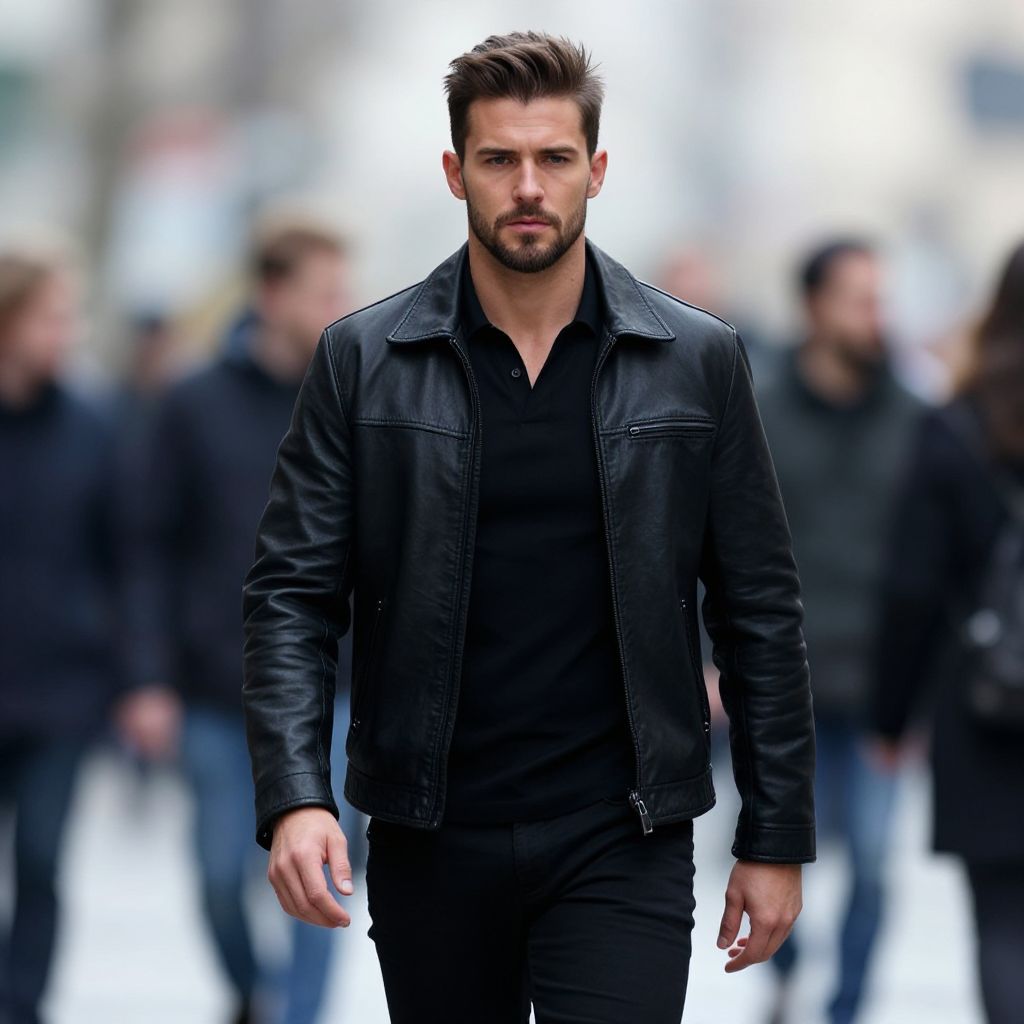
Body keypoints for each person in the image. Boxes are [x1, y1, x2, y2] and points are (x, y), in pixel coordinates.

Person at [242, 33, 816, 1023]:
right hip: (432, 828)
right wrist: (296, 795)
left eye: (553, 158)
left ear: (594, 170)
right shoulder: (363, 360)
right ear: (455, 170)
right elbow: (290, 596)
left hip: (621, 831)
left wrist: (775, 834)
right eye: (499, 159)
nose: (526, 187)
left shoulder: (694, 361)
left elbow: (758, 606)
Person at [117, 213, 359, 1024]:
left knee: (324, 875)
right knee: (223, 874)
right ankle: (251, 992)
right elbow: (148, 543)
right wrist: (149, 676)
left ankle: (299, 1016)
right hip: (219, 684)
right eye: (324, 291)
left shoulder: (360, 396)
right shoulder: (192, 403)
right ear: (272, 294)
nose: (341, 306)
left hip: (338, 681)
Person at [754, 240, 922, 1024]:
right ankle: (785, 967)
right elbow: (712, 546)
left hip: (882, 680)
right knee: (781, 847)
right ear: (815, 307)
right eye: (859, 298)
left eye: (880, 299)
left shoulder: (916, 419)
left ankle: (846, 1008)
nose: (875, 316)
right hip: (783, 678)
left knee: (876, 862)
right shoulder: (761, 410)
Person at [873, 240, 1024, 1024]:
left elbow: (911, 588)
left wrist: (891, 717)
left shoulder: (957, 428)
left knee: (1001, 922)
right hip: (983, 710)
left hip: (987, 706)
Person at [0, 241, 120, 1024]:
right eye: (52, 317)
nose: (66, 333)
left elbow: (125, 553)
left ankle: (22, 1006)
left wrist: (126, 668)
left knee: (41, 860)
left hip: (60, 693)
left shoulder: (92, 426)